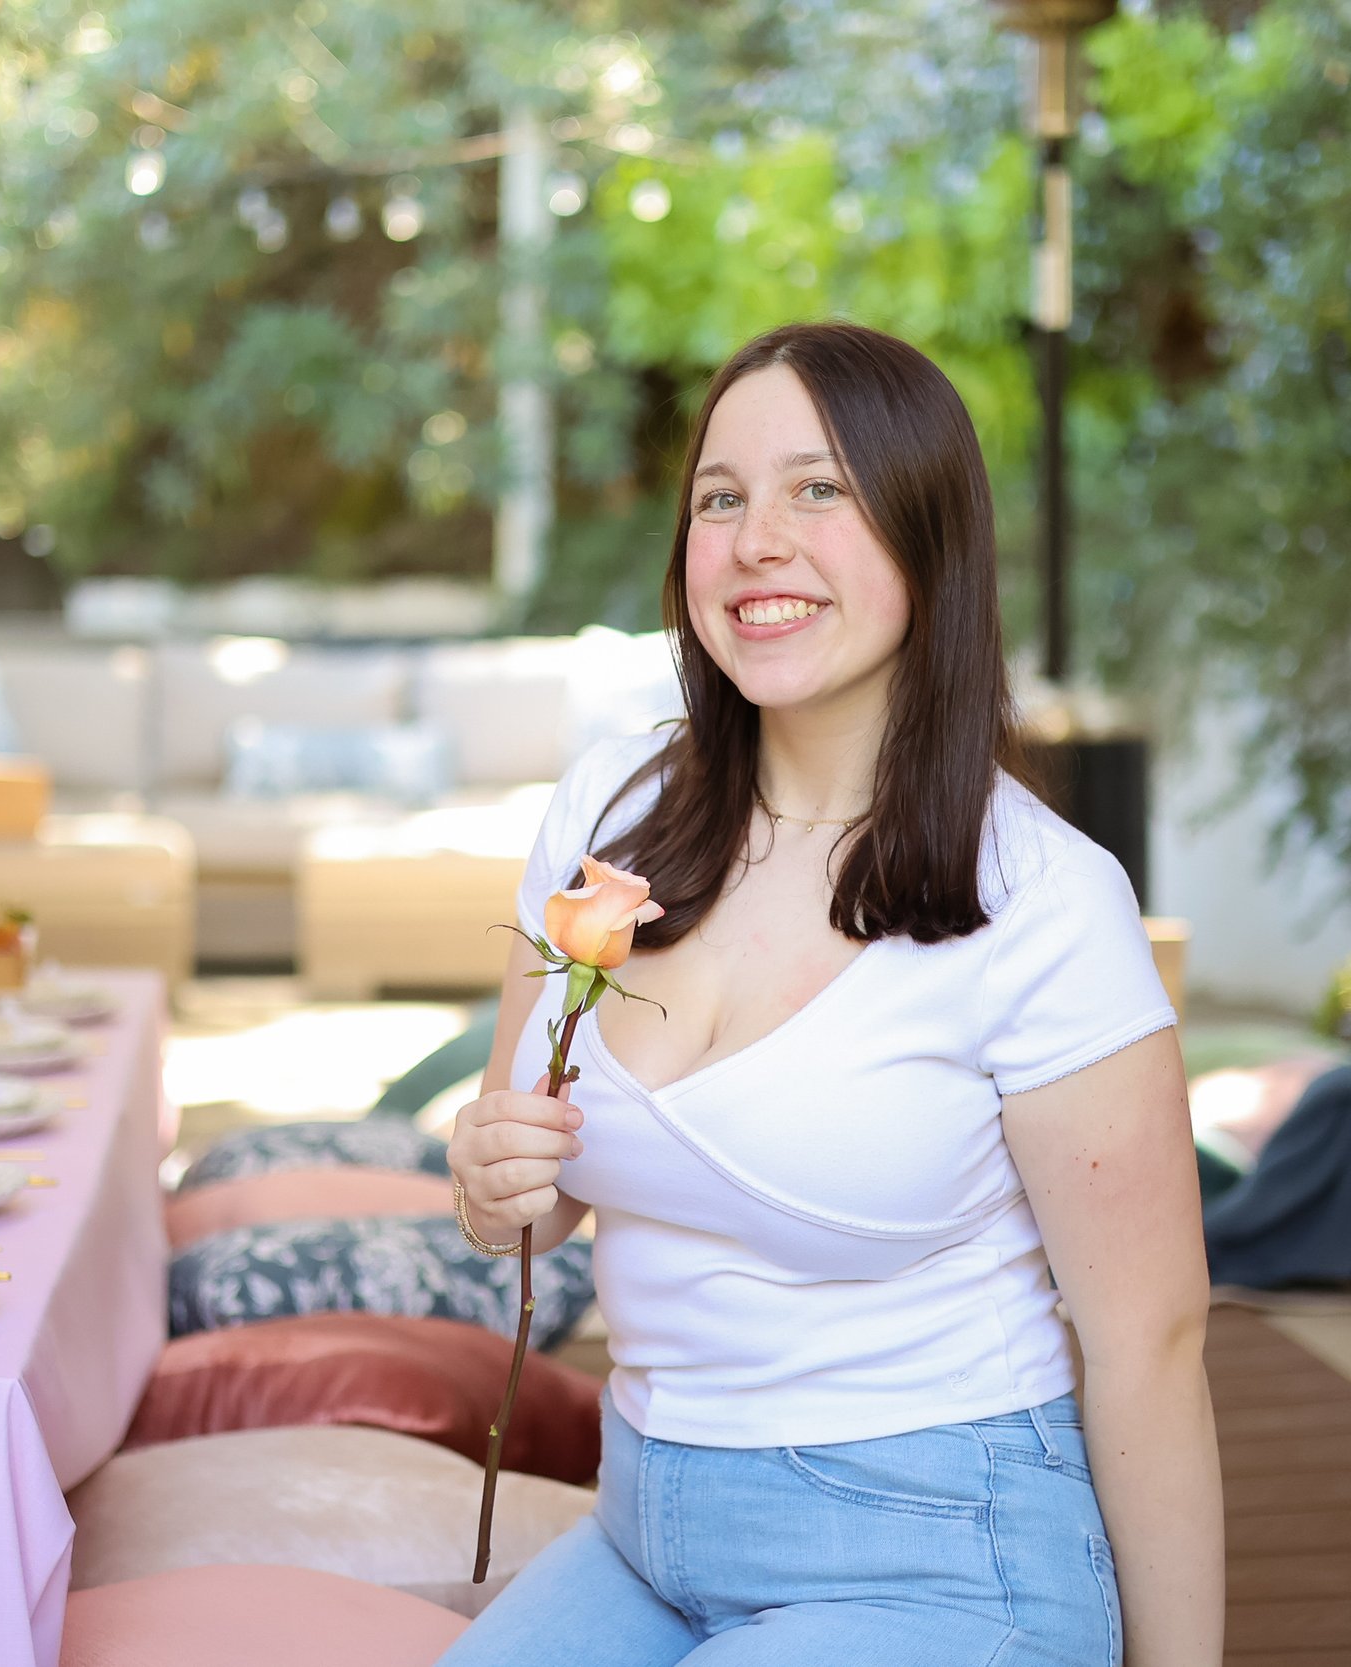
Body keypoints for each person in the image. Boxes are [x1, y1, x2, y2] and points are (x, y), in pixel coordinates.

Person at [442, 321, 1222, 1666]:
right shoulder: (610, 809)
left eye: (820, 489)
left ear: (928, 535)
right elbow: (533, 1190)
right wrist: (488, 1179)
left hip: (939, 1553)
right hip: (645, 1530)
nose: (756, 541)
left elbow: (1150, 1342)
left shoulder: (1040, 900)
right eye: (719, 498)